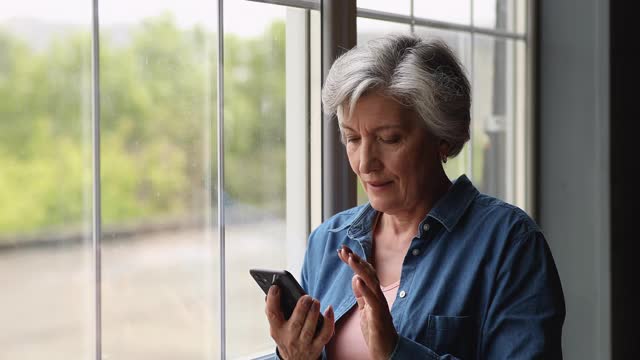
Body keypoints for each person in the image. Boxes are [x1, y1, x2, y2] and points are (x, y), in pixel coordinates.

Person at [264, 34, 565, 359]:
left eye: (390, 139)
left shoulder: (509, 243)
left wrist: (396, 351)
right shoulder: (327, 242)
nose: (366, 163)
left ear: (443, 138)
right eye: (352, 138)